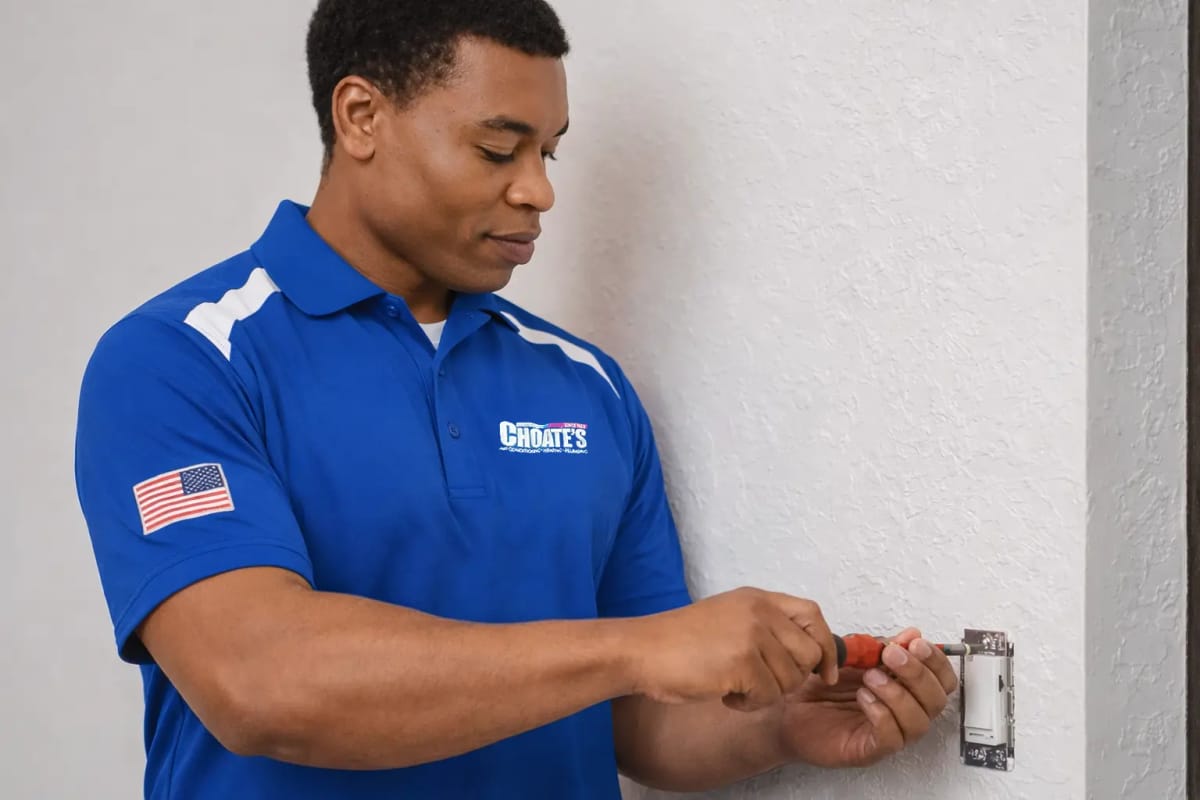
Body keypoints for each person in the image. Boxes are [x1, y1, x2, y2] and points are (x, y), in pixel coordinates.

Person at [73, 1, 957, 798]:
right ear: (361, 116)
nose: (539, 189)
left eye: (550, 151)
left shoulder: (587, 384)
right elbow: (262, 684)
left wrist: (778, 726)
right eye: (499, 149)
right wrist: (639, 648)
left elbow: (636, 717)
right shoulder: (181, 358)